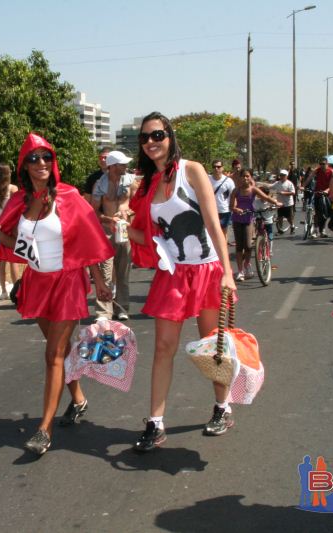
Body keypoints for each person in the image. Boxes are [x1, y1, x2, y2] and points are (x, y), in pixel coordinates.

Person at [0, 133, 113, 456]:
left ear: (52, 161)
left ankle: (44, 429)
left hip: (68, 282)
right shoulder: (21, 201)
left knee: (52, 356)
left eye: (46, 157)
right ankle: (79, 399)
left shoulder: (69, 196)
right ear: (24, 166)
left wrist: (98, 280)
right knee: (59, 351)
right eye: (33, 159)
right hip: (37, 283)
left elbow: (89, 239)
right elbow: (8, 237)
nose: (40, 163)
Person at [126, 111, 237, 451]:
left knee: (211, 346)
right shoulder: (144, 185)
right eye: (144, 138)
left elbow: (213, 224)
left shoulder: (192, 171)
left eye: (157, 135)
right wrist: (118, 227)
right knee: (162, 348)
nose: (150, 143)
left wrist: (228, 273)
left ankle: (222, 407)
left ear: (170, 136)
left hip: (206, 269)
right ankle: (155, 422)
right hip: (172, 273)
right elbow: (150, 237)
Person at [92, 150, 137, 321]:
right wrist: (108, 219)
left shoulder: (131, 181)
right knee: (105, 273)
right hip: (106, 231)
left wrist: (129, 214)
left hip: (124, 229)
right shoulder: (100, 185)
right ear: (112, 166)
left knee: (123, 272)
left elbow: (138, 205)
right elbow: (93, 212)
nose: (126, 166)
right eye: (122, 164)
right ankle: (104, 312)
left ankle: (122, 308)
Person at [230, 169, 280, 281]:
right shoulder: (236, 191)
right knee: (239, 247)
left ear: (250, 177)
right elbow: (231, 206)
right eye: (243, 176)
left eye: (247, 176)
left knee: (248, 246)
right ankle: (240, 271)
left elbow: (266, 197)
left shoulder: (253, 190)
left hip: (248, 219)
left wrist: (276, 202)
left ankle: (247, 264)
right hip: (237, 219)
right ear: (240, 178)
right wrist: (236, 209)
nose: (245, 178)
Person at [0, 163, 20, 298]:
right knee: (13, 259)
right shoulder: (13, 189)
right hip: (11, 225)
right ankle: (17, 289)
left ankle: (4, 291)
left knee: (1, 259)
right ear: (8, 174)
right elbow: (17, 208)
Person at [208, 159, 235, 242]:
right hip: (210, 211)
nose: (216, 168)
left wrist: (233, 207)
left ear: (222, 168)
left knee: (223, 233)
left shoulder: (228, 181)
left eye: (218, 167)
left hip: (224, 211)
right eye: (214, 167)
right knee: (211, 233)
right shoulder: (207, 179)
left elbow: (233, 195)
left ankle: (224, 252)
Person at [312, 157, 333, 237]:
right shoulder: (317, 170)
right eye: (320, 164)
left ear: (327, 164)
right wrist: (302, 186)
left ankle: (323, 229)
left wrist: (327, 190)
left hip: (328, 195)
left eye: (323, 164)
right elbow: (309, 178)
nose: (321, 165)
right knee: (317, 213)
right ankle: (315, 230)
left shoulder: (332, 172)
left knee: (327, 213)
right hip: (318, 194)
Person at [271, 169, 296, 235]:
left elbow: (293, 192)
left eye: (283, 175)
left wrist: (284, 193)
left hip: (288, 203)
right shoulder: (277, 183)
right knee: (280, 217)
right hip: (280, 203)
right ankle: (280, 230)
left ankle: (292, 226)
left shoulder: (289, 183)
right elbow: (270, 187)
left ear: (286, 176)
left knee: (289, 218)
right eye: (281, 175)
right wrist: (260, 185)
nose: (281, 176)